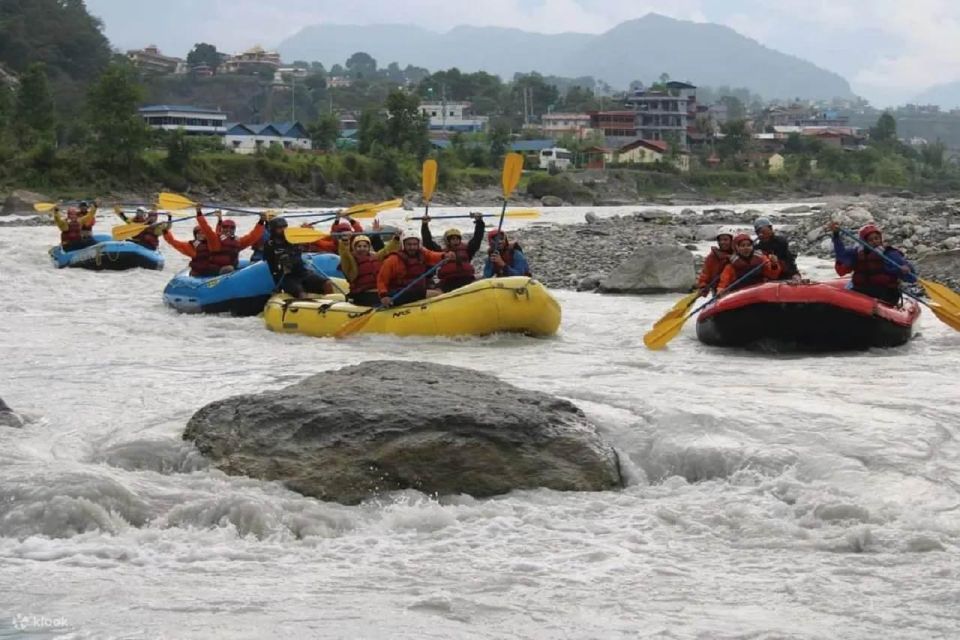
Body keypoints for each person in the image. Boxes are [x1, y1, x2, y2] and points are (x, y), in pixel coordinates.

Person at [828, 222, 916, 305]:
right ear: (864, 242)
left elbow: (911, 277)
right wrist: (836, 236)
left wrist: (906, 268)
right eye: (870, 240)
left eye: (876, 238)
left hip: (885, 293)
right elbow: (841, 255)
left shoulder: (888, 253)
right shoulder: (856, 253)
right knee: (853, 292)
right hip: (863, 290)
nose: (874, 241)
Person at [262, 217, 334, 299]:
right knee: (302, 295)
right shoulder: (270, 245)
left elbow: (305, 238)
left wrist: (306, 229)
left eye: (284, 227)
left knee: (327, 284)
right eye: (280, 228)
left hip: (302, 272)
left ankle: (331, 305)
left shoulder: (293, 239)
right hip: (287, 277)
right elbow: (271, 265)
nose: (283, 230)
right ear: (273, 230)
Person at [376, 234, 448, 307]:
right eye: (409, 244)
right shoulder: (392, 260)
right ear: (403, 245)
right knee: (436, 294)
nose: (412, 247)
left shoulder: (422, 254)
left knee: (439, 291)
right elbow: (382, 280)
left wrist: (444, 256)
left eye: (415, 244)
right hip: (399, 293)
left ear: (418, 245)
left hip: (416, 290)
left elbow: (433, 256)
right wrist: (384, 296)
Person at [421, 212, 485, 292]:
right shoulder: (442, 253)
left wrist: (479, 222)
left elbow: (477, 238)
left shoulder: (468, 250)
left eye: (457, 239)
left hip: (467, 279)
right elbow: (428, 243)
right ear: (447, 241)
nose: (455, 241)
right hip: (448, 281)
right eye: (452, 239)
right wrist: (424, 225)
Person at [338, 231, 400, 307]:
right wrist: (345, 241)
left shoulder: (375, 256)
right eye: (359, 246)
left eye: (365, 246)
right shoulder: (350, 261)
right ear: (354, 247)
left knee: (396, 296)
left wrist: (396, 239)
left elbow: (387, 250)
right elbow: (344, 253)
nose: (362, 249)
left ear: (369, 247)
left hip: (380, 291)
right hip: (362, 293)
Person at [196, 206, 265, 274]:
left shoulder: (238, 241)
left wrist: (261, 221)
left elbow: (253, 236)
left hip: (230, 268)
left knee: (236, 267)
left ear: (234, 229)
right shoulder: (215, 239)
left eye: (232, 228)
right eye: (225, 227)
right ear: (222, 229)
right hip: (214, 268)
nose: (228, 229)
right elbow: (205, 227)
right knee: (229, 268)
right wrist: (199, 212)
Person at [716, 233, 782, 295]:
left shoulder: (761, 259)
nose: (746, 248)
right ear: (737, 248)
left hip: (760, 290)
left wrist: (774, 264)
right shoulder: (731, 266)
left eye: (748, 245)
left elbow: (773, 275)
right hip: (740, 294)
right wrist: (721, 289)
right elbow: (724, 282)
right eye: (742, 245)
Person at [753, 216, 799, 281]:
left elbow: (788, 259)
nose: (764, 235)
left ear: (771, 230)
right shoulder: (757, 247)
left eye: (766, 231)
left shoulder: (781, 242)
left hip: (783, 273)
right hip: (769, 275)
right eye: (761, 232)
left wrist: (795, 273)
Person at [696, 228, 734, 295]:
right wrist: (703, 285)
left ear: (732, 240)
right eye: (720, 240)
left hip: (734, 288)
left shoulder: (738, 254)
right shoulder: (713, 256)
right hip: (718, 290)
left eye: (725, 240)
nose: (722, 242)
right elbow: (705, 273)